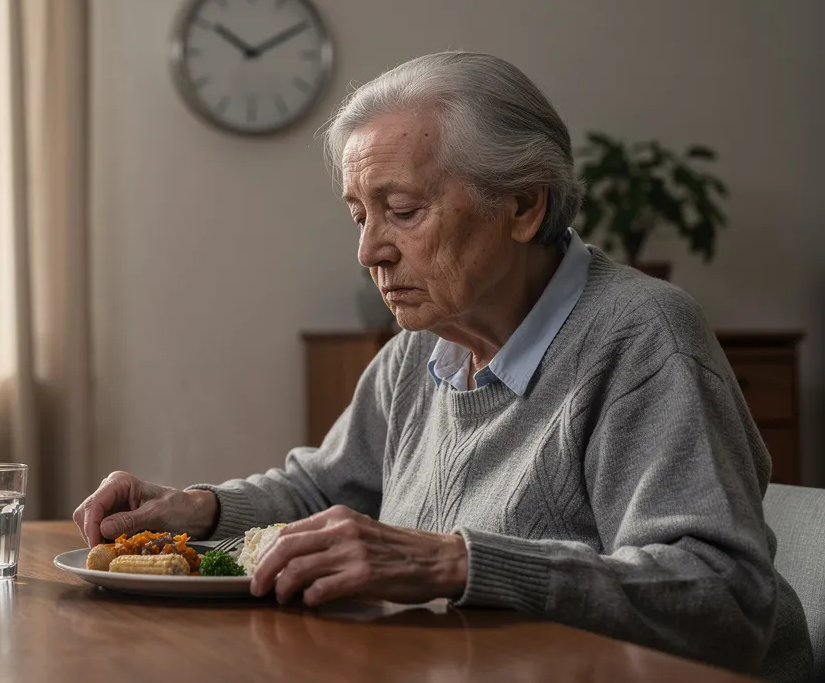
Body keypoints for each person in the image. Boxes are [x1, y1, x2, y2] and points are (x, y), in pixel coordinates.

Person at [72, 52, 811, 680]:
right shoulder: (419, 351)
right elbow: (326, 490)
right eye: (360, 216)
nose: (369, 253)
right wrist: (199, 509)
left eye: (401, 209)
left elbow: (727, 598)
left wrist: (455, 564)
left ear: (522, 205)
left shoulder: (639, 336)